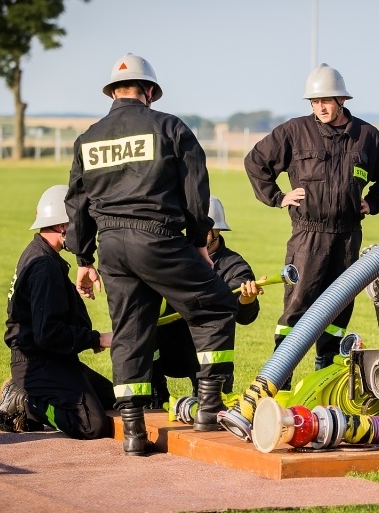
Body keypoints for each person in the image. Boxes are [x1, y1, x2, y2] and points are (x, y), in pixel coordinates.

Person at [65, 53, 238, 455]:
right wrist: (198, 240)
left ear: (112, 92)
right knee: (215, 307)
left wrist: (84, 261)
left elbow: (77, 204)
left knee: (130, 332)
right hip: (158, 238)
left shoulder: (88, 138)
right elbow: (197, 190)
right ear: (149, 91)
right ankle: (209, 408)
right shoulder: (169, 127)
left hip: (110, 249)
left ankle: (134, 433)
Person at [244, 63, 379, 385]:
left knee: (338, 309)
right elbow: (256, 162)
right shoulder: (294, 131)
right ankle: (280, 379)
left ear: (341, 100)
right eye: (315, 102)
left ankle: (325, 375)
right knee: (297, 308)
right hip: (307, 237)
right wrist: (278, 196)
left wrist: (372, 203)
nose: (320, 107)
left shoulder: (367, 137)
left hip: (347, 238)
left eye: (326, 101)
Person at [0, 185, 116, 440]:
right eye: (79, 224)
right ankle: (27, 403)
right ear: (62, 226)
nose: (84, 232)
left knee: (112, 400)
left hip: (53, 359)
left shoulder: (41, 254)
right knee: (91, 423)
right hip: (39, 364)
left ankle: (33, 395)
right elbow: (48, 334)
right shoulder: (45, 267)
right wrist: (97, 339)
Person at [151, 195, 263, 407]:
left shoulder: (234, 265)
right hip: (166, 346)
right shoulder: (169, 257)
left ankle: (210, 400)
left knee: (212, 406)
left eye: (198, 228)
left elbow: (244, 317)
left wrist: (246, 299)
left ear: (217, 231)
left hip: (207, 351)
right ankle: (156, 397)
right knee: (142, 334)